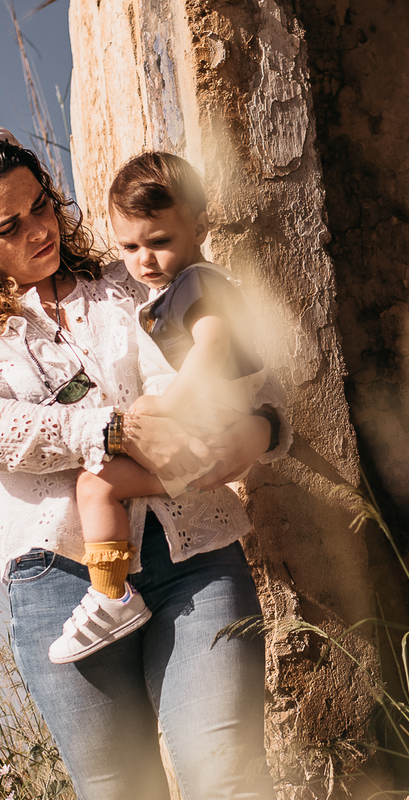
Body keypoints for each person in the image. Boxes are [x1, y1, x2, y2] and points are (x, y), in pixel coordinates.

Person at [0, 125, 286, 800]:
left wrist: (259, 432)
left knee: (226, 773)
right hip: (60, 584)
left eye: (41, 205)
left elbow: (255, 375)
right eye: (9, 226)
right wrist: (112, 429)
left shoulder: (125, 280)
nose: (40, 230)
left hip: (195, 554)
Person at [53, 152, 268, 664]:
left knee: (97, 483)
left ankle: (111, 595)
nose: (142, 260)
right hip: (206, 424)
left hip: (202, 425)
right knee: (101, 482)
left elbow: (213, 347)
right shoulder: (174, 287)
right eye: (129, 246)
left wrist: (167, 405)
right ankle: (113, 592)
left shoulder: (198, 283)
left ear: (199, 227)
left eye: (159, 242)